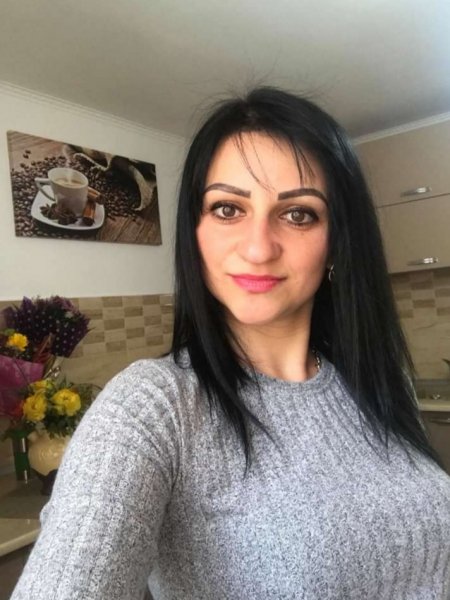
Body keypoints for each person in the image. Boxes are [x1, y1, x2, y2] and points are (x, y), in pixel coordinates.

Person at [11, 87, 450, 600]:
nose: (259, 248)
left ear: (336, 242)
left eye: (298, 214)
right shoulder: (152, 408)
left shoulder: (378, 380)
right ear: (194, 232)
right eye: (227, 209)